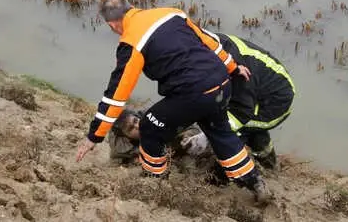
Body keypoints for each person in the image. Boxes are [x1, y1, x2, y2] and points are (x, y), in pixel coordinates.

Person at [74, 0, 270, 203]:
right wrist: (232, 66)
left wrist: (94, 136)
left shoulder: (131, 42)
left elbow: (117, 93)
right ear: (132, 7)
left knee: (149, 125)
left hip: (193, 92)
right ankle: (254, 181)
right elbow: (209, 41)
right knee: (220, 132)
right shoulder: (170, 13)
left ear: (112, 24)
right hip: (221, 81)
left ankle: (155, 180)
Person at [106, 32, 296, 171]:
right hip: (250, 94)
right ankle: (269, 163)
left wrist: (205, 136)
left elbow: (242, 112)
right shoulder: (201, 52)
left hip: (276, 101)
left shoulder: (233, 66)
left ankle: (251, 172)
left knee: (232, 134)